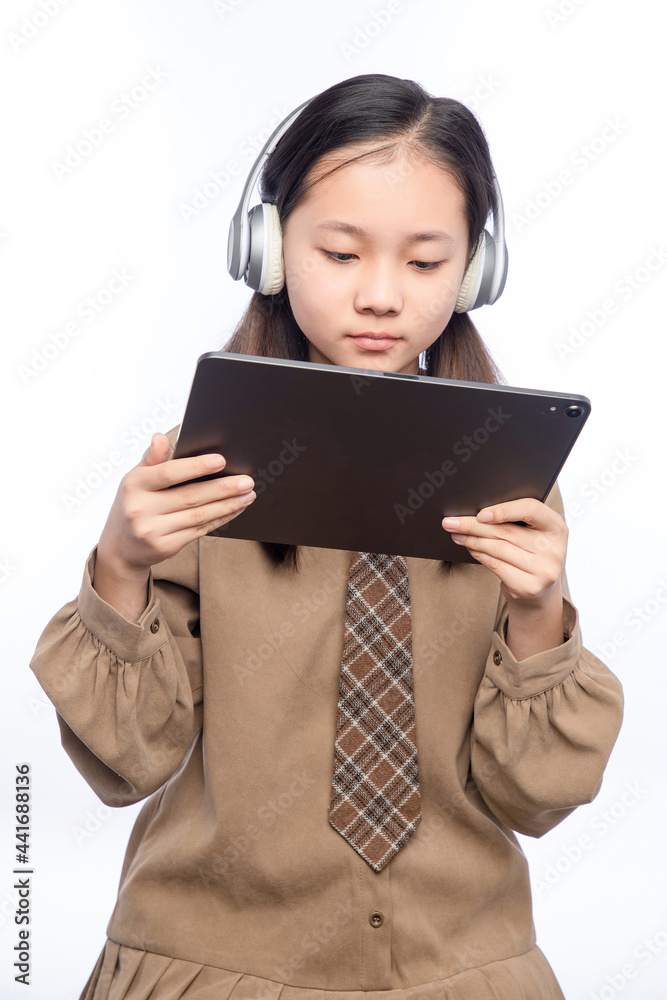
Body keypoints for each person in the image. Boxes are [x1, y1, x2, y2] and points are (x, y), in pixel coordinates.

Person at [30, 73, 623, 999]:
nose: (381, 296)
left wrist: (540, 614)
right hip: (215, 967)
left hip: (461, 969)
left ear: (475, 270)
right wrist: (120, 569)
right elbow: (127, 763)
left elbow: (534, 796)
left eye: (425, 263)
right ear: (267, 250)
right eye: (340, 253)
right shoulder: (194, 475)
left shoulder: (512, 484)